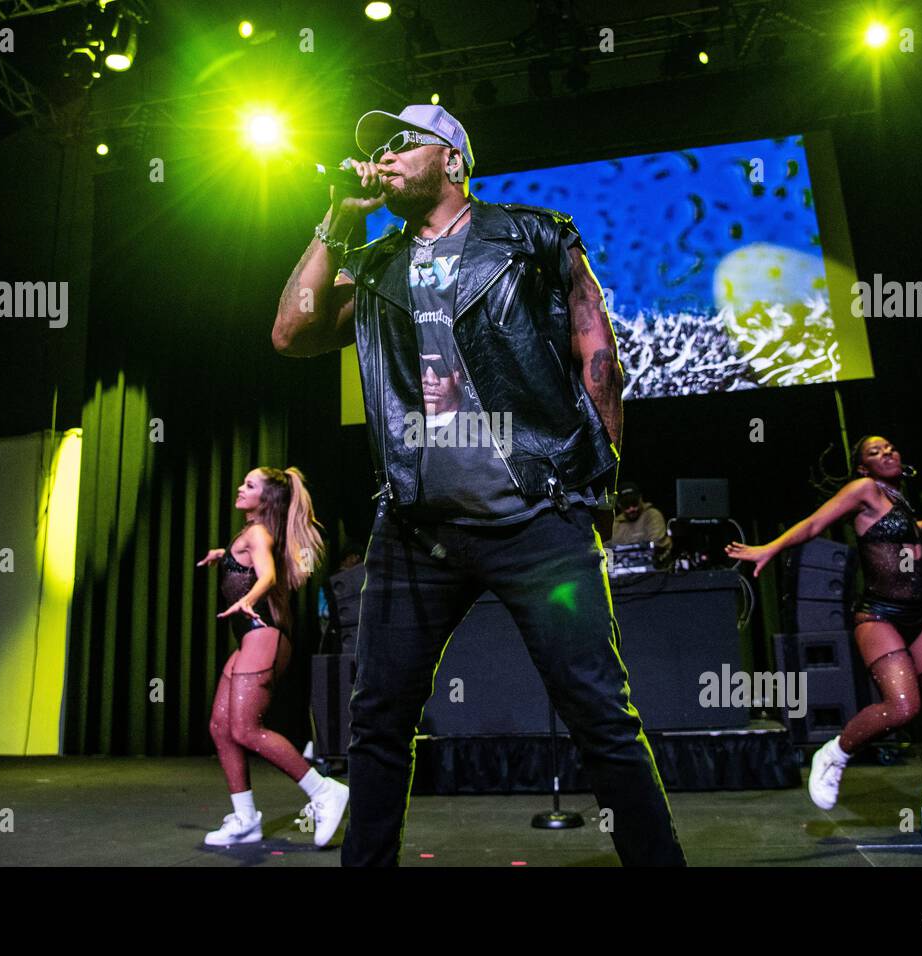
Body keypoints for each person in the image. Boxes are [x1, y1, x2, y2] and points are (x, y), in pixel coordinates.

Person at [272, 104, 686, 866]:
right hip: (418, 529)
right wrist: (336, 216)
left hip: (537, 517)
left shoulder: (533, 238)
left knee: (601, 716)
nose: (387, 157)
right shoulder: (378, 264)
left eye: (404, 143)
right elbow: (291, 333)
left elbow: (599, 361)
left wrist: (594, 490)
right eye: (380, 147)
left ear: (453, 160)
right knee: (379, 724)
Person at [726, 436, 922, 843]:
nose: (888, 453)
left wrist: (915, 528)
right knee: (903, 707)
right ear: (862, 467)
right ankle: (835, 753)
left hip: (921, 615)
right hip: (880, 614)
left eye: (891, 448)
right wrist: (769, 548)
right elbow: (815, 523)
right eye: (874, 452)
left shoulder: (900, 497)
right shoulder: (863, 489)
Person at [196, 466, 349, 847]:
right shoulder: (253, 533)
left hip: (262, 637)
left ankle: (324, 791)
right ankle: (246, 818)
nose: (239, 488)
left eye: (249, 485)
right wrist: (225, 557)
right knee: (221, 726)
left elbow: (266, 576)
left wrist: (247, 599)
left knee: (245, 728)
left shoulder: (258, 533)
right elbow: (252, 564)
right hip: (251, 638)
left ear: (266, 499)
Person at [604, 480, 671, 559]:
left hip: (655, 564)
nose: (631, 509)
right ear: (619, 505)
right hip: (624, 566)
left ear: (640, 499)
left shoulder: (652, 514)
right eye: (626, 505)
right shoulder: (617, 523)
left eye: (634, 503)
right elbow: (610, 545)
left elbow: (657, 544)